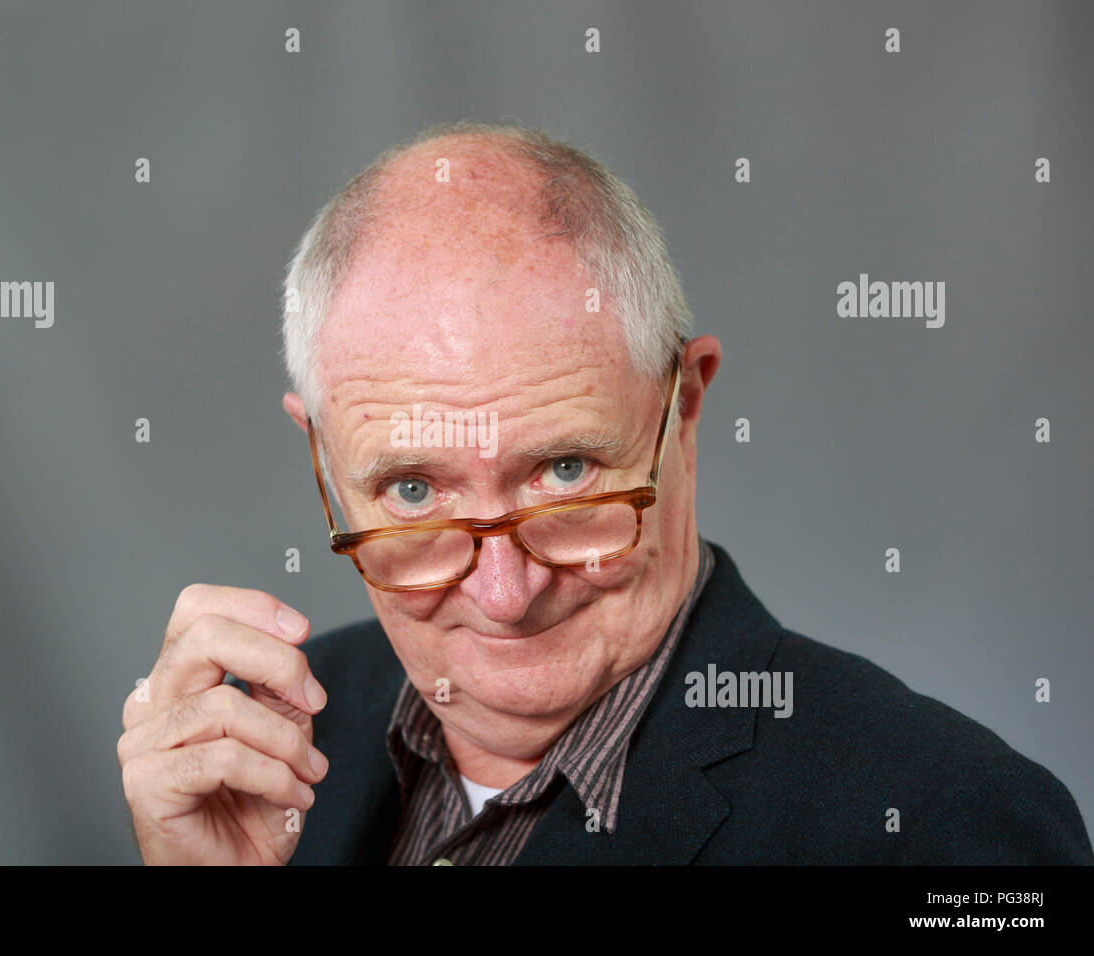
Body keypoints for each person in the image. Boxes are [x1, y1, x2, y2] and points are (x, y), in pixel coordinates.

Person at [117, 121, 1092, 865]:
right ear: (322, 457)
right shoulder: (262, 743)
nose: (503, 592)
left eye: (565, 470)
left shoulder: (941, 821)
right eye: (413, 486)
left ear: (687, 404)